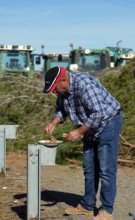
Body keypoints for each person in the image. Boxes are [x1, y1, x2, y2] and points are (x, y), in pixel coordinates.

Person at [43, 66, 123, 220]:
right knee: (89, 168)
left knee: (106, 169)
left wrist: (79, 132)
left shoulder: (85, 85)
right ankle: (87, 205)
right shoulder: (64, 91)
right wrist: (54, 121)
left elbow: (99, 113)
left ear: (64, 81)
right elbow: (61, 109)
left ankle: (106, 210)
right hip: (89, 127)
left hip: (108, 123)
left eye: (54, 88)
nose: (53, 91)